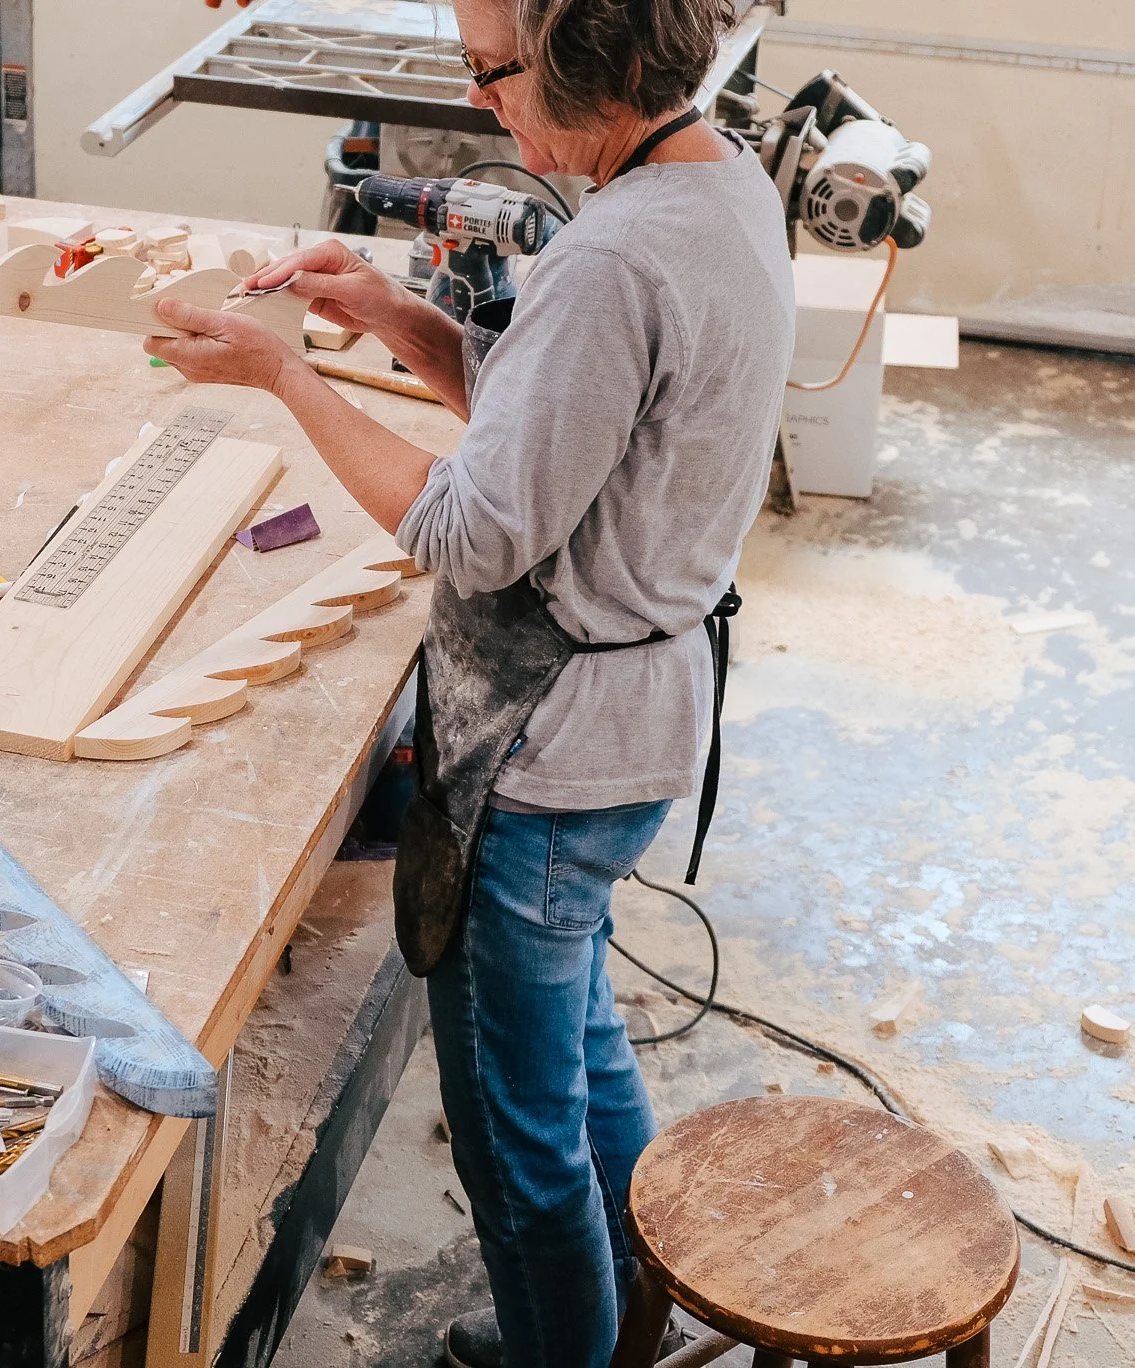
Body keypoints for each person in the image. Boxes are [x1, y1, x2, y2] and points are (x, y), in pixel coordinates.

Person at [142, 0, 795, 1364]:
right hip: (635, 724)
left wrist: (284, 379)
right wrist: (392, 316)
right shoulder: (720, 183)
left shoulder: (611, 258)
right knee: (581, 1036)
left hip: (546, 757)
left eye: (494, 71)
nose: (480, 100)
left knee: (515, 1134)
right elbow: (558, 426)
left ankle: (571, 1346)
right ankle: (631, 1308)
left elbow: (472, 530)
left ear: (597, 58)